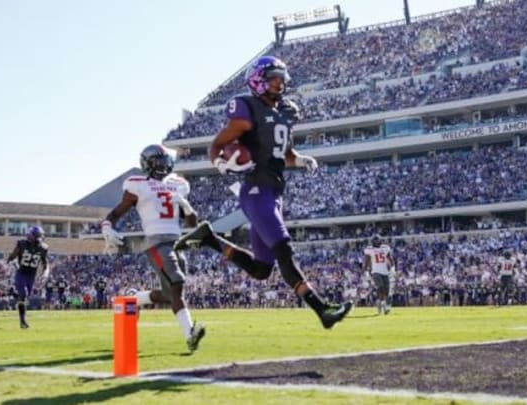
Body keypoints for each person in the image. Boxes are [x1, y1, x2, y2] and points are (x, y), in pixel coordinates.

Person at [174, 55, 353, 329]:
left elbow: (286, 153)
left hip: (274, 191)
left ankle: (210, 239)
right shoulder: (247, 109)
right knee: (284, 248)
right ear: (258, 80)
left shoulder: (285, 112)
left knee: (261, 270)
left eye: (282, 79)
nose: (279, 84)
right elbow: (217, 144)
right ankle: (322, 310)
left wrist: (301, 159)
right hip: (256, 191)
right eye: (273, 79)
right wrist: (220, 162)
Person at [101, 144, 206, 353]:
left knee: (172, 294)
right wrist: (106, 227)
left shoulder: (178, 184)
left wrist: (186, 206)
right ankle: (190, 334)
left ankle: (135, 298)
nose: (163, 164)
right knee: (177, 282)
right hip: (156, 243)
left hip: (177, 242)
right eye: (158, 161)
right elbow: (115, 214)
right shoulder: (137, 185)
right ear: (147, 164)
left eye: (164, 160)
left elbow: (193, 223)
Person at [7, 226, 50, 329]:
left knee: (25, 298)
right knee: (24, 295)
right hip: (21, 272)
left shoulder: (43, 248)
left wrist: (45, 273)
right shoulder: (22, 244)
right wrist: (10, 260)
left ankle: (13, 294)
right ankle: (23, 322)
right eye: (38, 236)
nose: (40, 238)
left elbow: (45, 263)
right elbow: (13, 255)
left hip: (31, 275)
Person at [363, 235, 395, 315]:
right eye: (374, 242)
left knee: (386, 291)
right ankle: (384, 305)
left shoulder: (385, 248)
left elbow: (390, 258)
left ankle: (380, 303)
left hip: (385, 272)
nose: (375, 243)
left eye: (376, 241)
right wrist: (366, 272)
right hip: (375, 272)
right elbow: (366, 262)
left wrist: (393, 269)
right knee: (380, 288)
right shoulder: (369, 250)